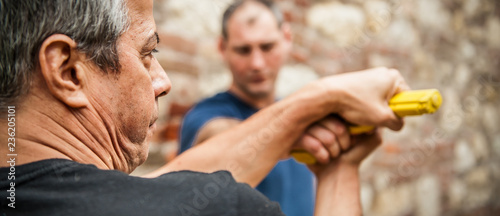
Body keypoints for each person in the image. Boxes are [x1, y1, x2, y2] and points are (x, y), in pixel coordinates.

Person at [0, 0, 409, 215]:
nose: (163, 81)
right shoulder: (220, 198)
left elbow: (148, 194)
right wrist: (340, 164)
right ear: (67, 70)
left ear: (287, 41)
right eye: (147, 53)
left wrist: (309, 105)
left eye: (267, 47)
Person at [178, 1, 314, 215]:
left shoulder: (301, 120)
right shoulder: (203, 115)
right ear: (222, 48)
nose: (257, 63)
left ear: (287, 39)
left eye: (267, 47)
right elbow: (216, 135)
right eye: (243, 50)